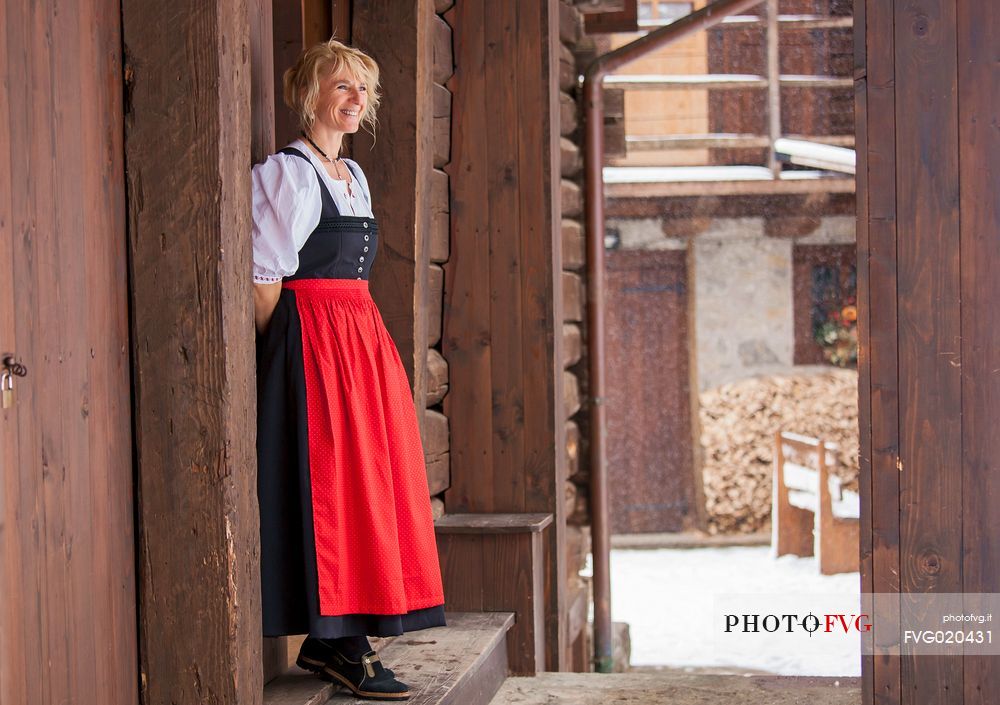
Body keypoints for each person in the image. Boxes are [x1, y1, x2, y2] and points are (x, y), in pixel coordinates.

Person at [252, 38, 446, 701]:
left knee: (371, 480)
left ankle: (343, 631)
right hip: (312, 340)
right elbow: (264, 274)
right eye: (343, 87)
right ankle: (337, 637)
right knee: (331, 485)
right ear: (311, 95)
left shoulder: (351, 176)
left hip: (359, 337)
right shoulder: (287, 174)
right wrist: (281, 350)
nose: (356, 99)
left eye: (363, 89)